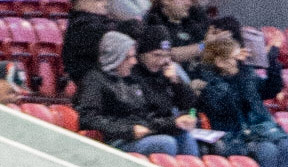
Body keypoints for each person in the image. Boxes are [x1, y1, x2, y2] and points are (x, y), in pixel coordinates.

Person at [196, 37, 288, 167]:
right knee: (269, 150)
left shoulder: (246, 76)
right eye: (235, 57)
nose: (240, 60)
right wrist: (242, 72)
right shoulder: (211, 87)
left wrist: (272, 62)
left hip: (260, 133)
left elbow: (271, 89)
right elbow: (232, 103)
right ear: (220, 62)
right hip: (235, 138)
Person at [77, 31, 199, 156]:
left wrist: (174, 123)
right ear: (115, 57)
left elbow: (146, 118)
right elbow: (88, 118)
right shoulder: (94, 80)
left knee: (183, 136)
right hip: (115, 140)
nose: (134, 62)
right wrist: (128, 130)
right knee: (165, 143)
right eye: (129, 57)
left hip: (138, 135)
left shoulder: (130, 80)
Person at [130, 25, 200, 153]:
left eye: (166, 56)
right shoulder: (130, 74)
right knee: (168, 143)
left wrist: (176, 82)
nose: (161, 61)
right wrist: (174, 122)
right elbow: (142, 117)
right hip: (139, 132)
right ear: (141, 54)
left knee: (186, 137)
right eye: (156, 55)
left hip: (163, 128)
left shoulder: (166, 73)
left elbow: (192, 105)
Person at [62, 0, 141, 91]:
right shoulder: (79, 27)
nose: (106, 3)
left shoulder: (105, 22)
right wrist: (125, 28)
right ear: (81, 3)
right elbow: (104, 36)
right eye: (98, 0)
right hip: (95, 91)